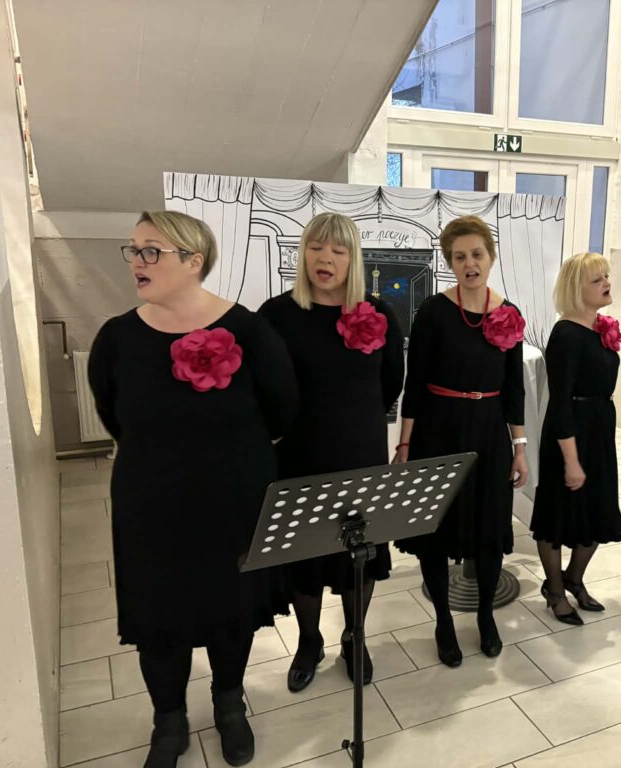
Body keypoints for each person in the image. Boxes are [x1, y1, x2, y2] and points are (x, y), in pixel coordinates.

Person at [88, 211, 298, 768]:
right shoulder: (116, 339)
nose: (136, 261)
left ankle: (229, 703)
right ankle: (169, 720)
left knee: (231, 608)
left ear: (193, 261)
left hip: (234, 500)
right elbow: (113, 415)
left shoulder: (249, 331)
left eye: (150, 251)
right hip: (150, 502)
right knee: (158, 616)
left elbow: (283, 409)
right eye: (133, 250)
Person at [259, 213, 404, 692]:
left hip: (360, 453)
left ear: (353, 259)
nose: (325, 258)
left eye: (338, 251)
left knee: (359, 556)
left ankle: (354, 637)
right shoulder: (276, 315)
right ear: (303, 253)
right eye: (316, 247)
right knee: (304, 557)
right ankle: (308, 641)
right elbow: (262, 385)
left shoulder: (378, 313)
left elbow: (391, 383)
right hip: (299, 455)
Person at [394, 215, 528, 666]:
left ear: (491, 257)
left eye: (476, 254)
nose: (469, 263)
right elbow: (414, 384)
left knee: (489, 527)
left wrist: (520, 447)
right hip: (438, 430)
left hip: (489, 432)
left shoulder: (509, 313)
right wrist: (404, 446)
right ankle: (443, 623)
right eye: (459, 256)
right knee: (436, 529)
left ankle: (486, 615)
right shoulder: (433, 312)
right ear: (449, 262)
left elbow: (514, 389)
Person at [530, 252, 621, 625]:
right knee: (557, 516)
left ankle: (573, 577)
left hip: (599, 429)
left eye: (606, 276)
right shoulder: (566, 334)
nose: (606, 283)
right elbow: (559, 402)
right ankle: (555, 589)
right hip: (569, 433)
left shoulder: (599, 328)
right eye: (596, 279)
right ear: (576, 288)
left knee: (599, 511)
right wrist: (571, 460)